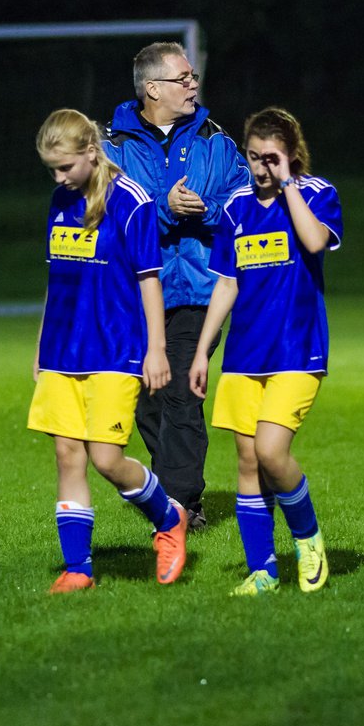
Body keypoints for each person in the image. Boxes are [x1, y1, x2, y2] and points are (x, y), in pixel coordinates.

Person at [28, 109, 185, 593]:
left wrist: (156, 350)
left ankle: (167, 516)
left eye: (65, 167)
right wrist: (40, 346)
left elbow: (149, 282)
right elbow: (58, 281)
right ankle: (78, 568)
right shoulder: (60, 200)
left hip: (116, 350)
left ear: (91, 154)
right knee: (66, 455)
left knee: (106, 459)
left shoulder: (131, 203)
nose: (58, 178)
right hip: (62, 350)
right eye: (52, 169)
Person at [189, 107, 342, 595]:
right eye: (253, 157)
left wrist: (289, 184)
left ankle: (308, 539)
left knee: (273, 452)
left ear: (291, 156)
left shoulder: (317, 194)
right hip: (244, 357)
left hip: (298, 351)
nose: (260, 168)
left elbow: (316, 242)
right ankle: (262, 571)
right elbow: (227, 283)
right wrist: (202, 350)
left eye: (270, 158)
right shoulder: (235, 207)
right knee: (248, 463)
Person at [105, 42, 252, 529]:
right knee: (147, 403)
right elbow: (113, 211)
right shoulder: (112, 146)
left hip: (198, 293)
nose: (193, 84)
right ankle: (169, 493)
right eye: (183, 78)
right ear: (153, 89)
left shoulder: (217, 140)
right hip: (134, 294)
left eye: (192, 76)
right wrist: (166, 208)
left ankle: (181, 508)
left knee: (183, 396)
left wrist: (208, 211)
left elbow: (244, 202)